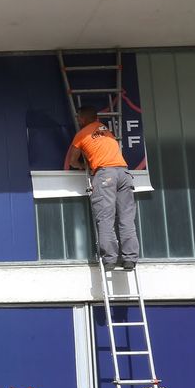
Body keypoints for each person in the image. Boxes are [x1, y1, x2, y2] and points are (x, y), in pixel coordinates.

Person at [64, 106, 139, 270]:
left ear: (82, 119)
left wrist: (83, 166)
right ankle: (130, 259)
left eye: (79, 118)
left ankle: (110, 260)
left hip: (105, 175)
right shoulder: (105, 130)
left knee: (105, 218)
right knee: (126, 219)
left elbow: (72, 161)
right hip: (124, 173)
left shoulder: (81, 135)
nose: (77, 120)